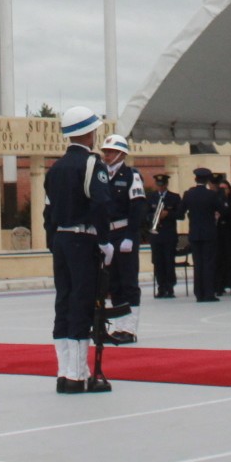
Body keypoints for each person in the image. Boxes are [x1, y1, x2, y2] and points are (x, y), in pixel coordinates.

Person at [44, 105, 115, 393]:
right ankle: (76, 375)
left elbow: (48, 212)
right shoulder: (91, 164)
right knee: (82, 303)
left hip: (60, 240)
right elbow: (100, 203)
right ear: (87, 133)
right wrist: (104, 240)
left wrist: (53, 241)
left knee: (64, 301)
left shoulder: (55, 168)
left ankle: (65, 372)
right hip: (83, 239)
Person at [98, 138, 145, 337]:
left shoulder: (131, 175)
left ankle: (130, 328)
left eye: (111, 151)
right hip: (108, 234)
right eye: (105, 151)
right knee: (112, 283)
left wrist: (131, 237)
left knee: (129, 282)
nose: (106, 155)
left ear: (121, 154)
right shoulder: (101, 176)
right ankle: (118, 327)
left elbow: (138, 208)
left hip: (124, 233)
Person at [182, 168, 222, 302]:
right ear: (207, 181)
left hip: (194, 233)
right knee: (208, 263)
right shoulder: (211, 195)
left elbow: (180, 213)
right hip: (209, 233)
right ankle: (209, 293)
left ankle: (199, 293)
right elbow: (221, 209)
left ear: (195, 179)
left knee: (197, 264)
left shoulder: (188, 194)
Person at [146, 173, 182, 298]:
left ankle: (170, 286)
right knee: (158, 262)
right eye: (158, 185)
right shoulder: (150, 197)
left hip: (169, 235)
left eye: (162, 185)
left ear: (166, 184)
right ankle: (161, 286)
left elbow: (180, 215)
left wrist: (168, 214)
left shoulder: (174, 197)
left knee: (169, 261)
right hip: (156, 236)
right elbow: (145, 215)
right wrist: (155, 216)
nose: (160, 187)